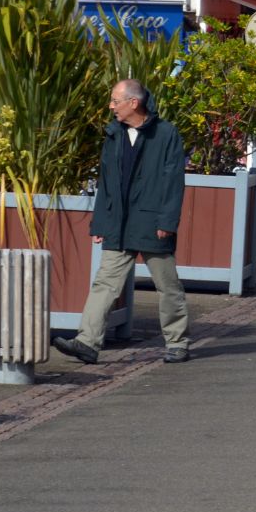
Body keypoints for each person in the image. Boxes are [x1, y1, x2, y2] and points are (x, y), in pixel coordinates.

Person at [59, 79, 190, 365]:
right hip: (118, 223)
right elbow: (106, 183)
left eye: (115, 101)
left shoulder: (166, 134)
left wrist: (167, 220)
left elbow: (174, 182)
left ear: (134, 103)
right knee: (105, 283)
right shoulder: (114, 134)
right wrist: (100, 225)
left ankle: (177, 342)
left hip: (153, 221)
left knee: (167, 285)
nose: (111, 107)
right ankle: (87, 342)